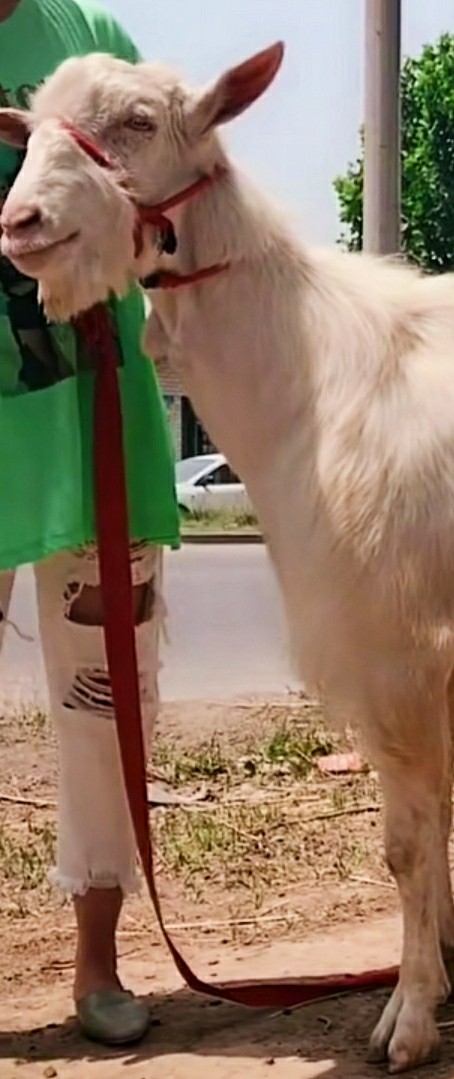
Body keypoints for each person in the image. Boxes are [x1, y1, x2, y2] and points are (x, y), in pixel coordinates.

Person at [0, 0, 180, 1047]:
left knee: (104, 695)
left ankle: (97, 964)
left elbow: (175, 203)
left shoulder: (92, 45)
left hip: (90, 414)